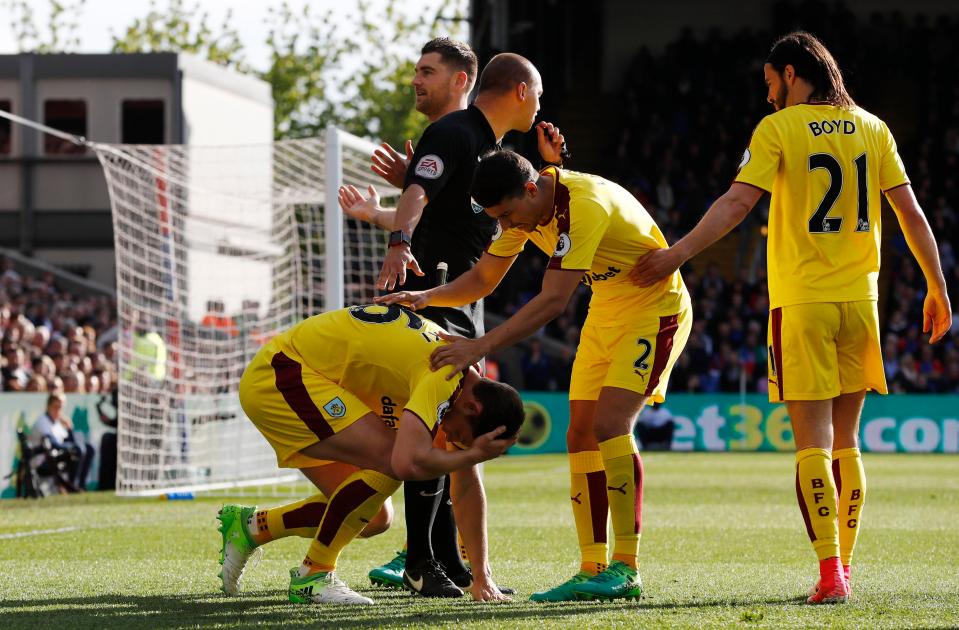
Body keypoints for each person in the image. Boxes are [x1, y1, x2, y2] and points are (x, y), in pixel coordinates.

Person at [630, 31, 952, 604]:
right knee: (847, 444)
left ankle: (830, 574)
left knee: (812, 444)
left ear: (789, 73)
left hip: (802, 302)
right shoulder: (874, 127)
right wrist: (937, 286)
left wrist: (676, 254)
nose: (768, 95)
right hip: (862, 301)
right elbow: (910, 211)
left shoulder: (778, 129)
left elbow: (736, 203)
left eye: (769, 82)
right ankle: (845, 567)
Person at [379, 149, 692, 602]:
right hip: (607, 308)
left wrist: (480, 345)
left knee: (609, 426)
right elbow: (484, 277)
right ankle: (592, 567)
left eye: (508, 215)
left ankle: (626, 568)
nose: (508, 226)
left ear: (530, 190)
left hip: (655, 307)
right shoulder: (521, 212)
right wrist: (428, 297)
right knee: (580, 433)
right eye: (497, 218)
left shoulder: (583, 204)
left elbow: (552, 301)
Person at [339, 45, 565, 598]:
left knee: (447, 429)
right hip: (436, 300)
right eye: (536, 92)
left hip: (460, 301)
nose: (539, 103)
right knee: (433, 426)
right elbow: (419, 194)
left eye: (426, 71)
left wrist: (381, 213)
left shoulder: (487, 148)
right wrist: (398, 237)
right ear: (519, 90)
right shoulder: (456, 132)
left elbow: (431, 202)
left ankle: (443, 561)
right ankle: (419, 562)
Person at [217, 304, 525, 605]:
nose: (455, 440)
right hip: (283, 375)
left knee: (374, 518)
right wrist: (469, 456)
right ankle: (313, 574)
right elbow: (406, 463)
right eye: (463, 438)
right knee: (394, 461)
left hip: (303, 378)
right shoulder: (445, 378)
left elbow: (466, 487)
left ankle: (252, 527)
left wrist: (481, 574)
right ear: (474, 408)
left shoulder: (464, 379)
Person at [30, 391, 96, 492]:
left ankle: (81, 485)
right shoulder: (42, 421)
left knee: (89, 449)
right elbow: (53, 444)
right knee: (77, 450)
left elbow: (70, 441)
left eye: (60, 407)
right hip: (43, 461)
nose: (58, 410)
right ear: (48, 406)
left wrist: (69, 428)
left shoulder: (57, 423)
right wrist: (73, 447)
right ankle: (72, 487)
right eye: (55, 407)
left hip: (56, 457)